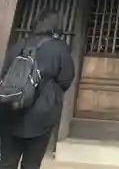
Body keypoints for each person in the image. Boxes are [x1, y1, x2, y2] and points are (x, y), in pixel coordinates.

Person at [0, 9, 75, 169]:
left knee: (6, 162)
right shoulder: (60, 49)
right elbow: (65, 80)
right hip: (42, 114)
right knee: (31, 164)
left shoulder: (20, 44)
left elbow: (4, 72)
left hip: (10, 109)